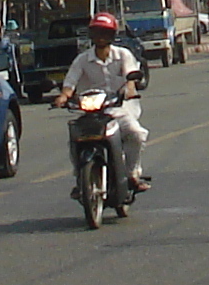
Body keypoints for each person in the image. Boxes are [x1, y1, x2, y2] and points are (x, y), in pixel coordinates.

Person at [54, 11, 149, 193]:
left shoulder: (123, 55)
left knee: (137, 134)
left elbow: (130, 77)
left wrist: (129, 89)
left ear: (112, 35)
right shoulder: (82, 59)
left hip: (119, 108)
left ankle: (132, 174)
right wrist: (63, 97)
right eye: (97, 33)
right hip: (92, 112)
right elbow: (70, 83)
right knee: (75, 137)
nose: (100, 37)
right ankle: (80, 177)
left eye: (105, 33)